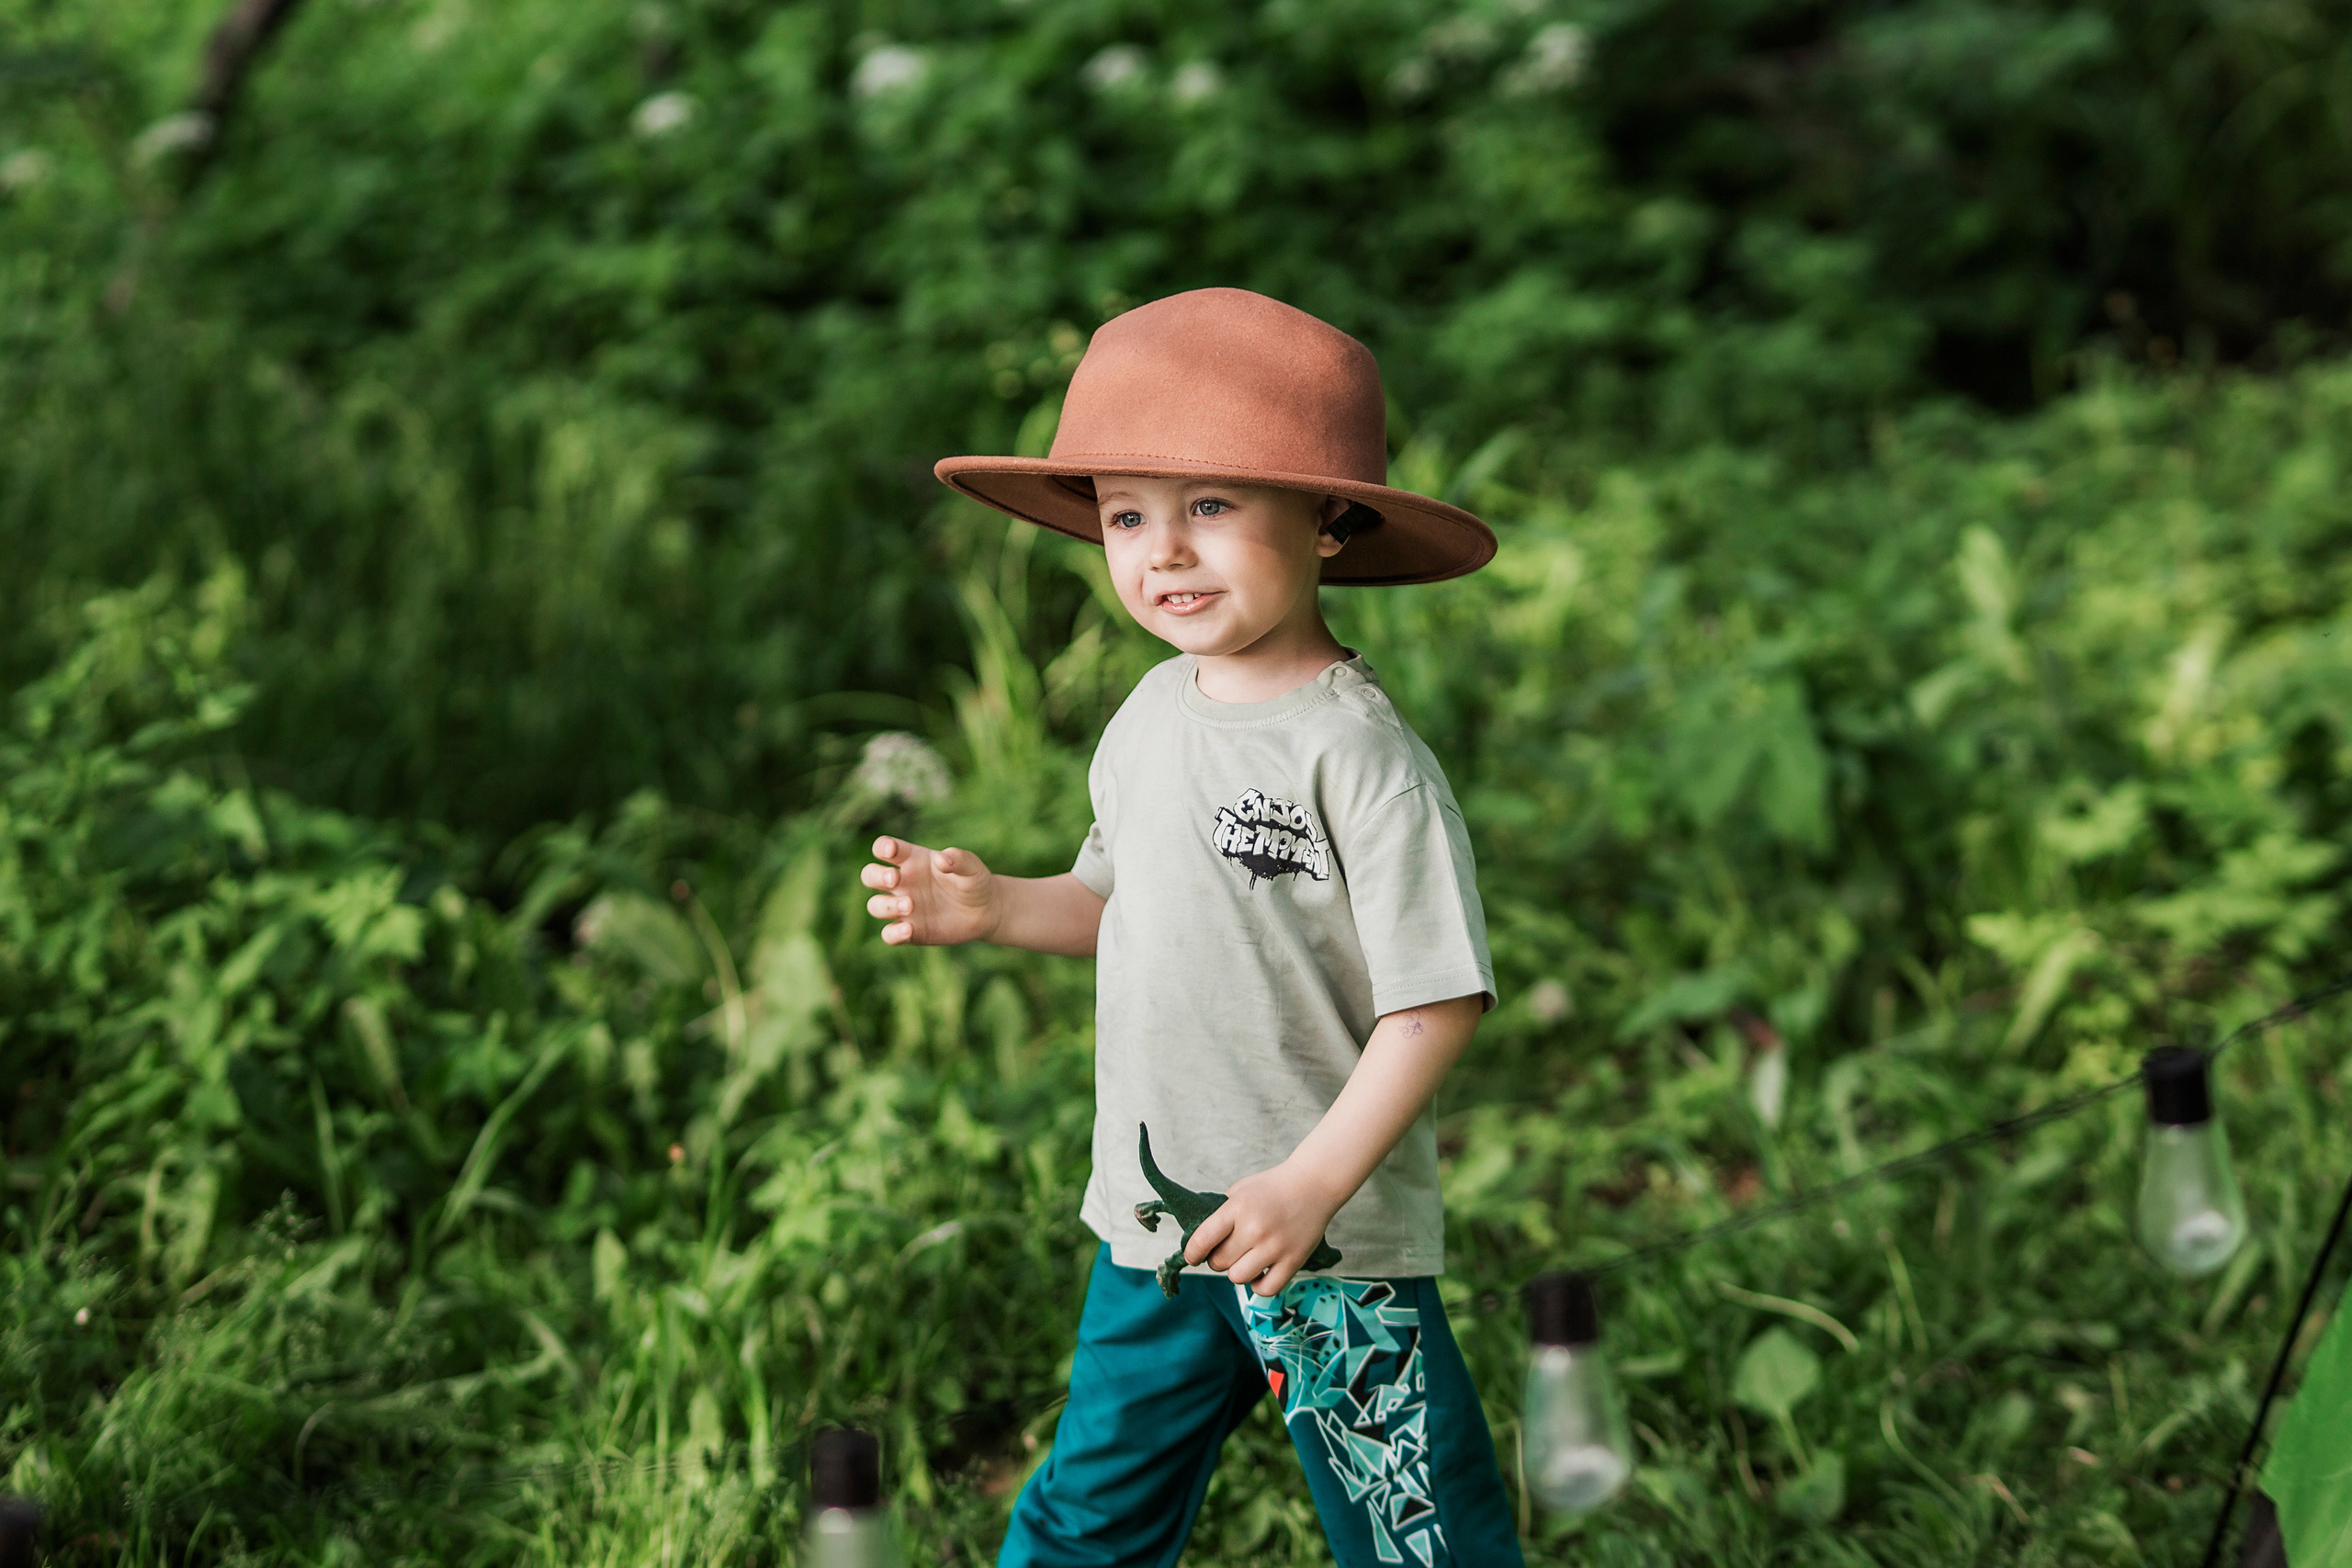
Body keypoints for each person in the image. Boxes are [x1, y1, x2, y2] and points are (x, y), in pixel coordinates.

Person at [860, 288, 1522, 1568]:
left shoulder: (1359, 756)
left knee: (1411, 1526)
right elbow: (1115, 903)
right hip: (1154, 1231)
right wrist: (998, 908)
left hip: (1328, 1249)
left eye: (1210, 507)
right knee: (1091, 1507)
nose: (1162, 553)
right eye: (1127, 516)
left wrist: (1312, 1183)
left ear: (1327, 520)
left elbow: (1438, 999)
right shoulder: (1151, 716)